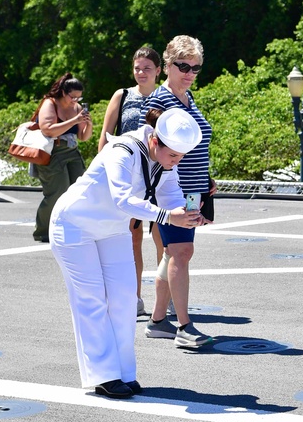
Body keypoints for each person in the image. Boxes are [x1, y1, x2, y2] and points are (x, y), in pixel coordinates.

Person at [49, 108, 203, 399]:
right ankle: (104, 376)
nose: (176, 162)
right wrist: (169, 217)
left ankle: (123, 372)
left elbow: (169, 195)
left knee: (123, 298)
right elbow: (123, 199)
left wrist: (188, 212)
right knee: (92, 298)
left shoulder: (165, 159)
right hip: (73, 225)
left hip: (111, 229)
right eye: (174, 155)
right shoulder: (122, 150)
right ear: (155, 141)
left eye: (180, 156)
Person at [141, 35, 215, 349]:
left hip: (194, 188)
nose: (189, 72)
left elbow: (192, 144)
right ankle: (184, 326)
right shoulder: (160, 100)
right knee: (182, 252)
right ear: (168, 65)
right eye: (183, 66)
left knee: (174, 252)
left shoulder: (187, 97)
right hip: (172, 190)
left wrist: (206, 177)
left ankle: (158, 321)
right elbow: (150, 145)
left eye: (195, 67)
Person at [98, 46, 164, 317]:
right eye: (137, 68)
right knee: (131, 238)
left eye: (147, 68)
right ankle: (134, 297)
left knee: (163, 237)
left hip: (160, 172)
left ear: (158, 70)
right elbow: (106, 135)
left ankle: (166, 296)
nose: (141, 73)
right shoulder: (122, 95)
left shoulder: (165, 96)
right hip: (128, 172)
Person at [32, 74, 92, 243]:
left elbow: (83, 136)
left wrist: (88, 123)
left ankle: (69, 228)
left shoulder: (77, 108)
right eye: (72, 97)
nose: (75, 100)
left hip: (72, 151)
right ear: (63, 92)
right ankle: (42, 231)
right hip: (53, 152)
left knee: (79, 191)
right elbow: (48, 129)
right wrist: (74, 120)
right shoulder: (50, 103)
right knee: (57, 192)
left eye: (79, 97)